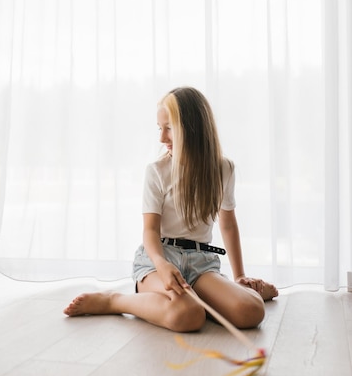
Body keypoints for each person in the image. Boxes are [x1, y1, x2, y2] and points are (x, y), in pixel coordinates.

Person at [63, 86, 278, 332]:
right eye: (159, 128)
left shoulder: (224, 169)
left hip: (201, 264)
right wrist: (162, 265)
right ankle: (114, 300)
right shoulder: (157, 171)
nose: (162, 138)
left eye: (169, 128)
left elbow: (228, 224)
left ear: (193, 129)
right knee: (188, 315)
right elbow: (150, 231)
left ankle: (211, 298)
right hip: (159, 259)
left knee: (251, 311)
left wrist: (240, 277)